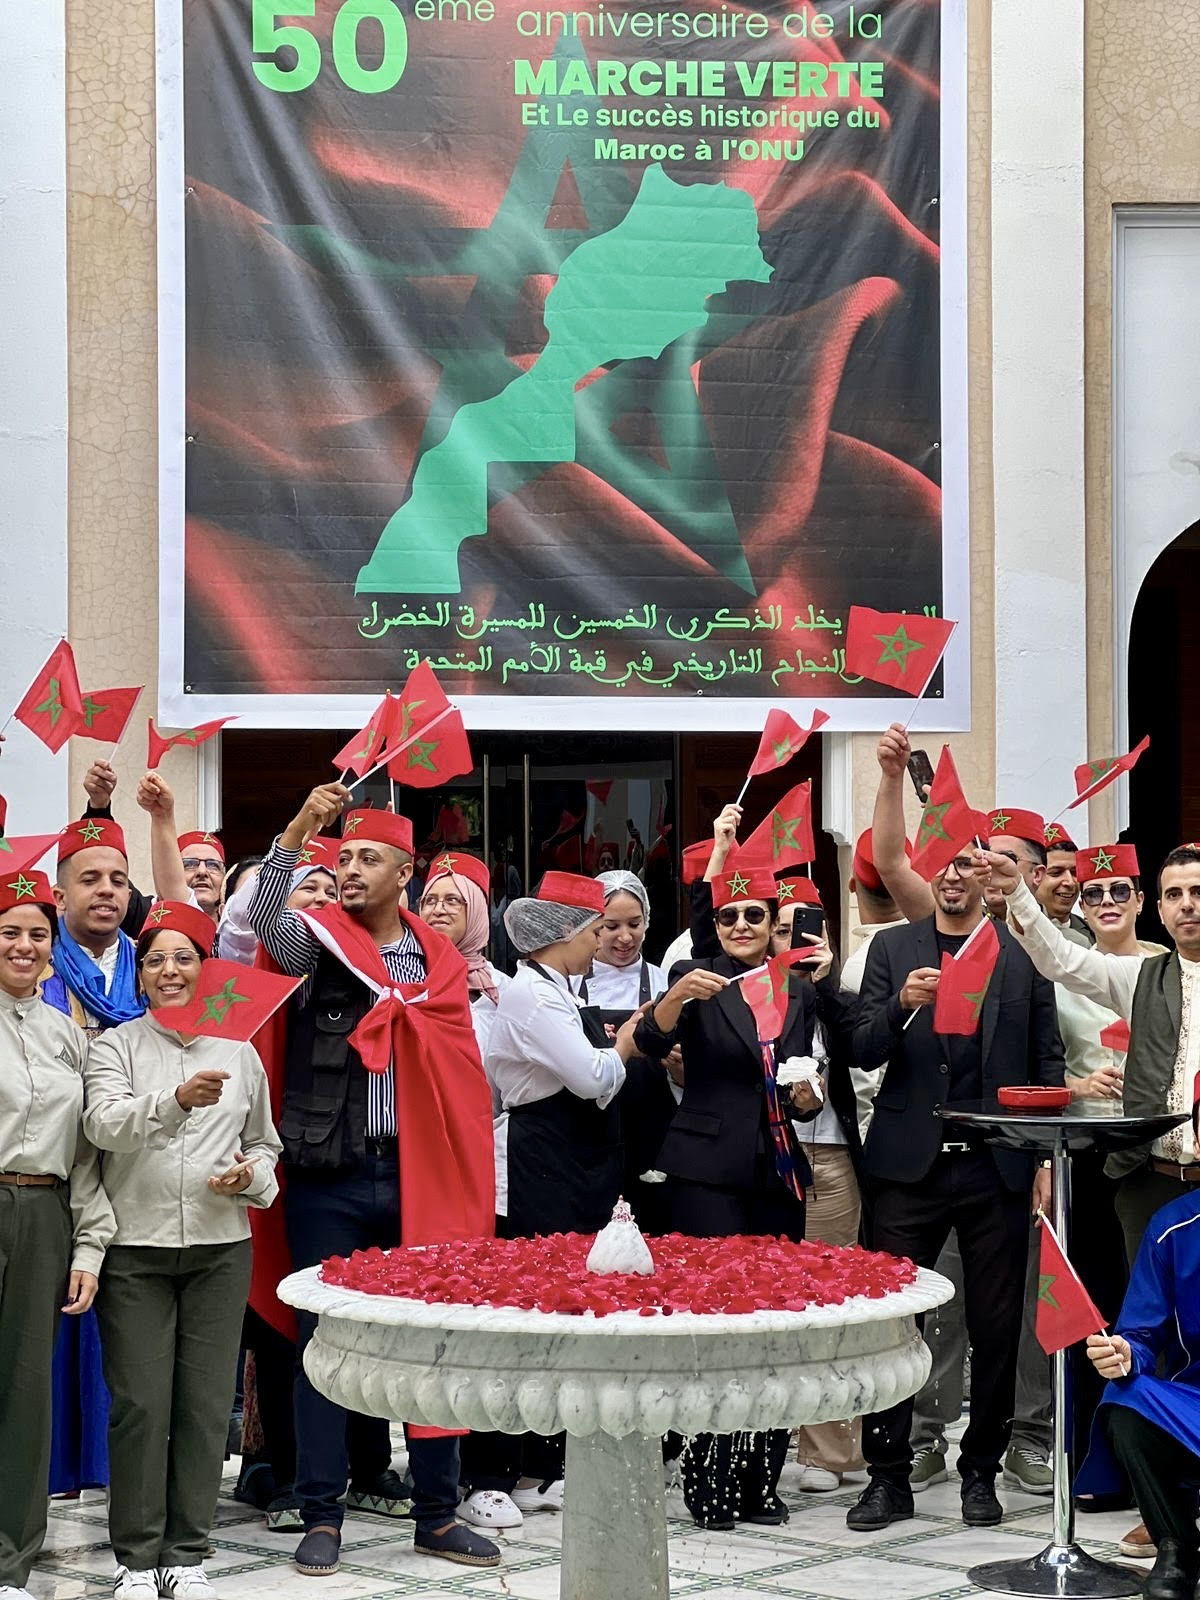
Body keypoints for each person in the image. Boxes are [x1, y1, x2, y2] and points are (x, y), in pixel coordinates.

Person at [247, 789, 499, 1576]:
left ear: (405, 872)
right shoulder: (319, 944)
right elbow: (270, 927)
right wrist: (296, 832)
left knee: (433, 1345)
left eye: (366, 860)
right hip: (331, 1177)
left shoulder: (439, 962)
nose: (349, 871)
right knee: (326, 1350)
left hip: (422, 1174)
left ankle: (436, 1513)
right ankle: (322, 1514)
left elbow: (458, 1073)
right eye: (344, 858)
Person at [846, 845, 1064, 1532]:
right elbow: (860, 1045)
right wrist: (901, 1009)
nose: (951, 875)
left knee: (995, 1327)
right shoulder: (892, 948)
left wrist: (1046, 1157)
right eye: (939, 863)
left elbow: (1046, 1056)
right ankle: (888, 1476)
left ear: (987, 879)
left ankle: (980, 1470)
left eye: (967, 865)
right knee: (891, 1325)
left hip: (996, 1164)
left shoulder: (1020, 953)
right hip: (908, 1167)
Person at [636, 831, 849, 1529]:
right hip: (705, 1174)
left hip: (778, 1169)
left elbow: (802, 1079)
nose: (743, 927)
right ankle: (709, 1479)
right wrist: (673, 1004)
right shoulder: (697, 979)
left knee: (771, 1328)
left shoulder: (797, 988)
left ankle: (761, 1477)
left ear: (772, 921)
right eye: (730, 917)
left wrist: (808, 1098)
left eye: (755, 915)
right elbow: (646, 1048)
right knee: (714, 1326)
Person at [83, 901, 281, 1600]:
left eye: (184, 958)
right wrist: (175, 1100)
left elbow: (265, 1147)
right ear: (141, 976)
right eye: (157, 959)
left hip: (220, 1249)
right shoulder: (114, 1047)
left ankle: (188, 1553)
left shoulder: (241, 1051)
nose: (170, 971)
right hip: (134, 1252)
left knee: (201, 1407)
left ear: (207, 970)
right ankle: (136, 1559)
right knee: (139, 1403)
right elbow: (105, 1126)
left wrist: (249, 1176)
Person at [478, 872, 643, 1518]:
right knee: (524, 1320)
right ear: (568, 935)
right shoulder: (535, 999)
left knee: (563, 1314)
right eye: (597, 929)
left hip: (574, 1167)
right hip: (536, 1168)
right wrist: (629, 1037)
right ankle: (488, 1473)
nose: (604, 940)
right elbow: (592, 1077)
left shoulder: (561, 992)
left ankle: (538, 1466)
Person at [0, 869, 114, 1600]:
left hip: (43, 1214)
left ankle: (10, 1558)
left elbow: (87, 1157)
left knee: (23, 1389)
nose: (24, 945)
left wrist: (89, 1244)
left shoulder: (67, 1037)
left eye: (38, 934)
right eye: (10, 931)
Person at [770, 877, 868, 1492]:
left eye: (806, 932)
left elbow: (862, 1046)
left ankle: (826, 1450)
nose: (793, 943)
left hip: (829, 1156)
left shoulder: (841, 992)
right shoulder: (751, 994)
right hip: (768, 1157)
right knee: (765, 1299)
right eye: (782, 932)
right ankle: (759, 1443)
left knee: (830, 1302)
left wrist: (824, 984)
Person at [1078, 1141, 1200, 1600]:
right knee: (1126, 1399)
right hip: (1194, 1407)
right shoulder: (1173, 1225)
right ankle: (1178, 1547)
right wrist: (1126, 1352)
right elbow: (1142, 1332)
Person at [573, 869, 677, 1230]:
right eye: (611, 925)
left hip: (652, 1139)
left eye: (634, 923)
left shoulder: (666, 985)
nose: (624, 937)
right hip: (589, 1140)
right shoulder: (570, 986)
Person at [1036, 827, 1091, 943]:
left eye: (1074, 873)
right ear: (1036, 875)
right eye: (1056, 873)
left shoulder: (1094, 936)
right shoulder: (1012, 930)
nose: (1070, 882)